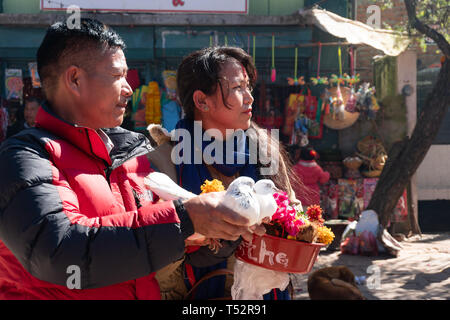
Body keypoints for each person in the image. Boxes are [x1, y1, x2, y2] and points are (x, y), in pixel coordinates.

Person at [0, 19, 261, 300]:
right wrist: (185, 218)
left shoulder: (132, 155)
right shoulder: (25, 157)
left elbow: (147, 238)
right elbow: (59, 251)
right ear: (75, 79)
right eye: (116, 76)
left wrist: (213, 230)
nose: (129, 89)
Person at [147, 46, 302, 300]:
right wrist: (201, 230)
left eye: (248, 87)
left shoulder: (264, 151)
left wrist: (291, 230)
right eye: (238, 88)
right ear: (201, 101)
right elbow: (155, 260)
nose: (250, 97)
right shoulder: (164, 161)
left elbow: (293, 220)